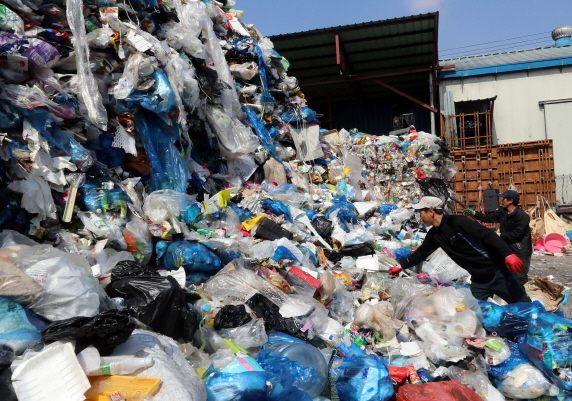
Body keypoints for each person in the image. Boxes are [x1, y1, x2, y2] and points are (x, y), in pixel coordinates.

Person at [388, 196, 530, 303]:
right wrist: (400, 266)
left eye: (421, 212)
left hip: (498, 274)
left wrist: (508, 254)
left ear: (431, 211)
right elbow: (420, 253)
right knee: (474, 313)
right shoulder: (434, 235)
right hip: (479, 280)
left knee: (525, 307)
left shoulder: (457, 222)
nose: (420, 217)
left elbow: (488, 234)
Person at [463, 190, 532, 284]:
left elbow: (517, 234)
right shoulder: (503, 212)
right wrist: (474, 213)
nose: (502, 200)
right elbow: (488, 218)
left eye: (504, 198)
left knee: (520, 276)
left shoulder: (522, 216)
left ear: (510, 201)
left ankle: (523, 297)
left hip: (521, 250)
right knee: (507, 274)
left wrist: (499, 235)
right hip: (508, 248)